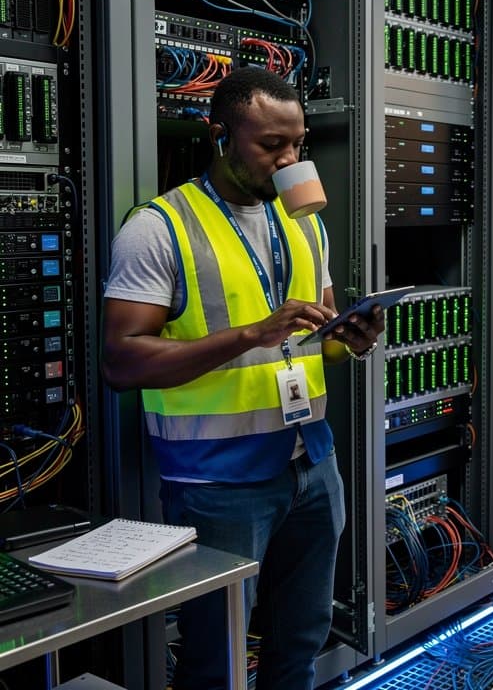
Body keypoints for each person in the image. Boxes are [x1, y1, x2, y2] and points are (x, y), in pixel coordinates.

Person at [101, 67, 384, 690]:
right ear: (219, 134)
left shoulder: (305, 221)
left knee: (301, 641)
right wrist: (251, 333)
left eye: (296, 144)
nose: (288, 160)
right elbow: (119, 362)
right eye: (270, 145)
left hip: (311, 464)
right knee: (215, 658)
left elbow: (321, 346)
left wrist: (351, 341)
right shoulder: (159, 227)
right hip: (216, 479)